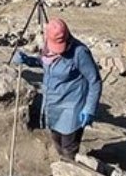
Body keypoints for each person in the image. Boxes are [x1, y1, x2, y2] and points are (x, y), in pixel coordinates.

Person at [12, 18, 102, 162]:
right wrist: (28, 60)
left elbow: (95, 81)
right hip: (53, 104)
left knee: (68, 148)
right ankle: (65, 162)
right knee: (57, 142)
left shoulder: (80, 52)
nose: (58, 49)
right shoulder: (48, 48)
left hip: (72, 107)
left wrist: (89, 108)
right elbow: (44, 63)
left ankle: (70, 172)